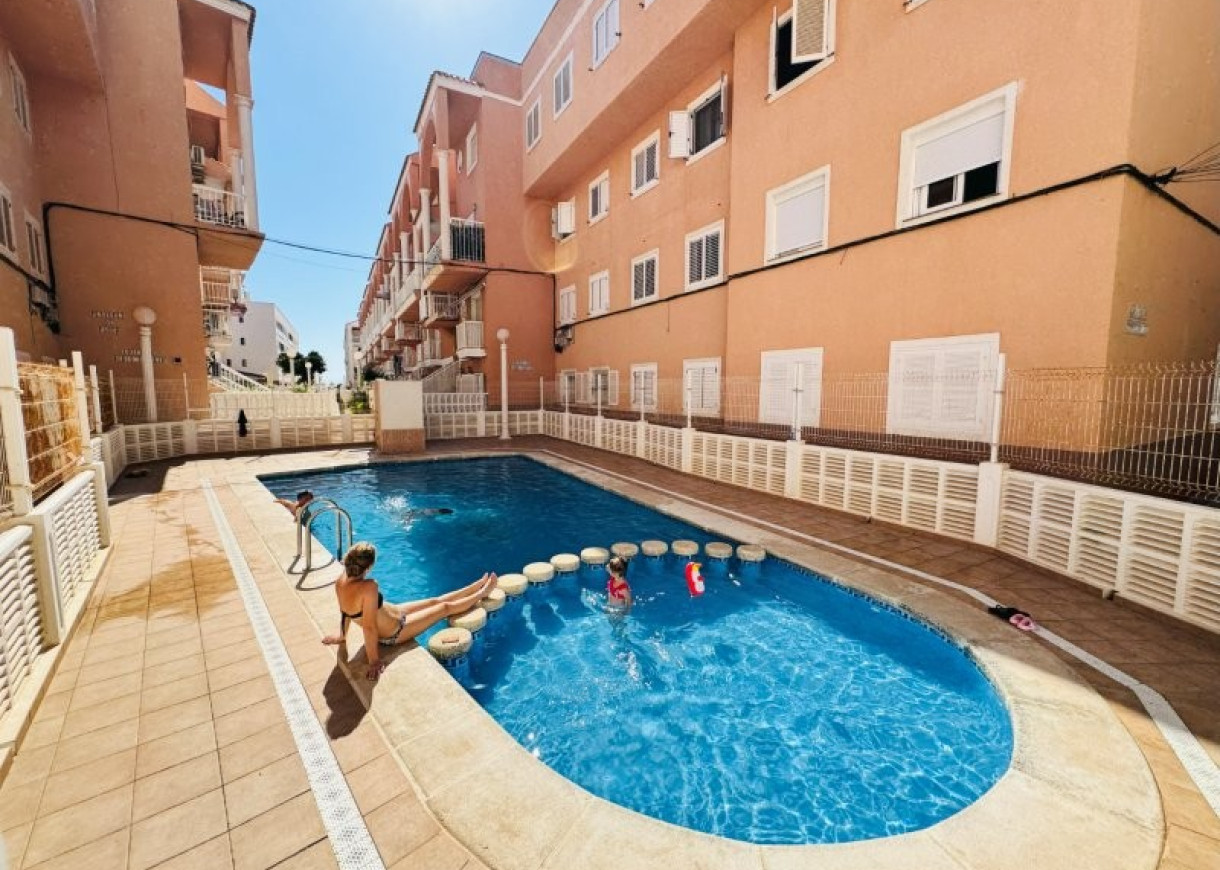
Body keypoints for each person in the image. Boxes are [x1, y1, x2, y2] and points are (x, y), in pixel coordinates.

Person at [322, 542, 497, 680]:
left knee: (435, 600)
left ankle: (475, 586)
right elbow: (368, 627)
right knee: (444, 608)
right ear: (369, 566)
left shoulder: (341, 580)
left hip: (396, 611)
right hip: (395, 631)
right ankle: (481, 593)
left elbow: (345, 611)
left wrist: (342, 636)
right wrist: (374, 661)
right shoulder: (369, 586)